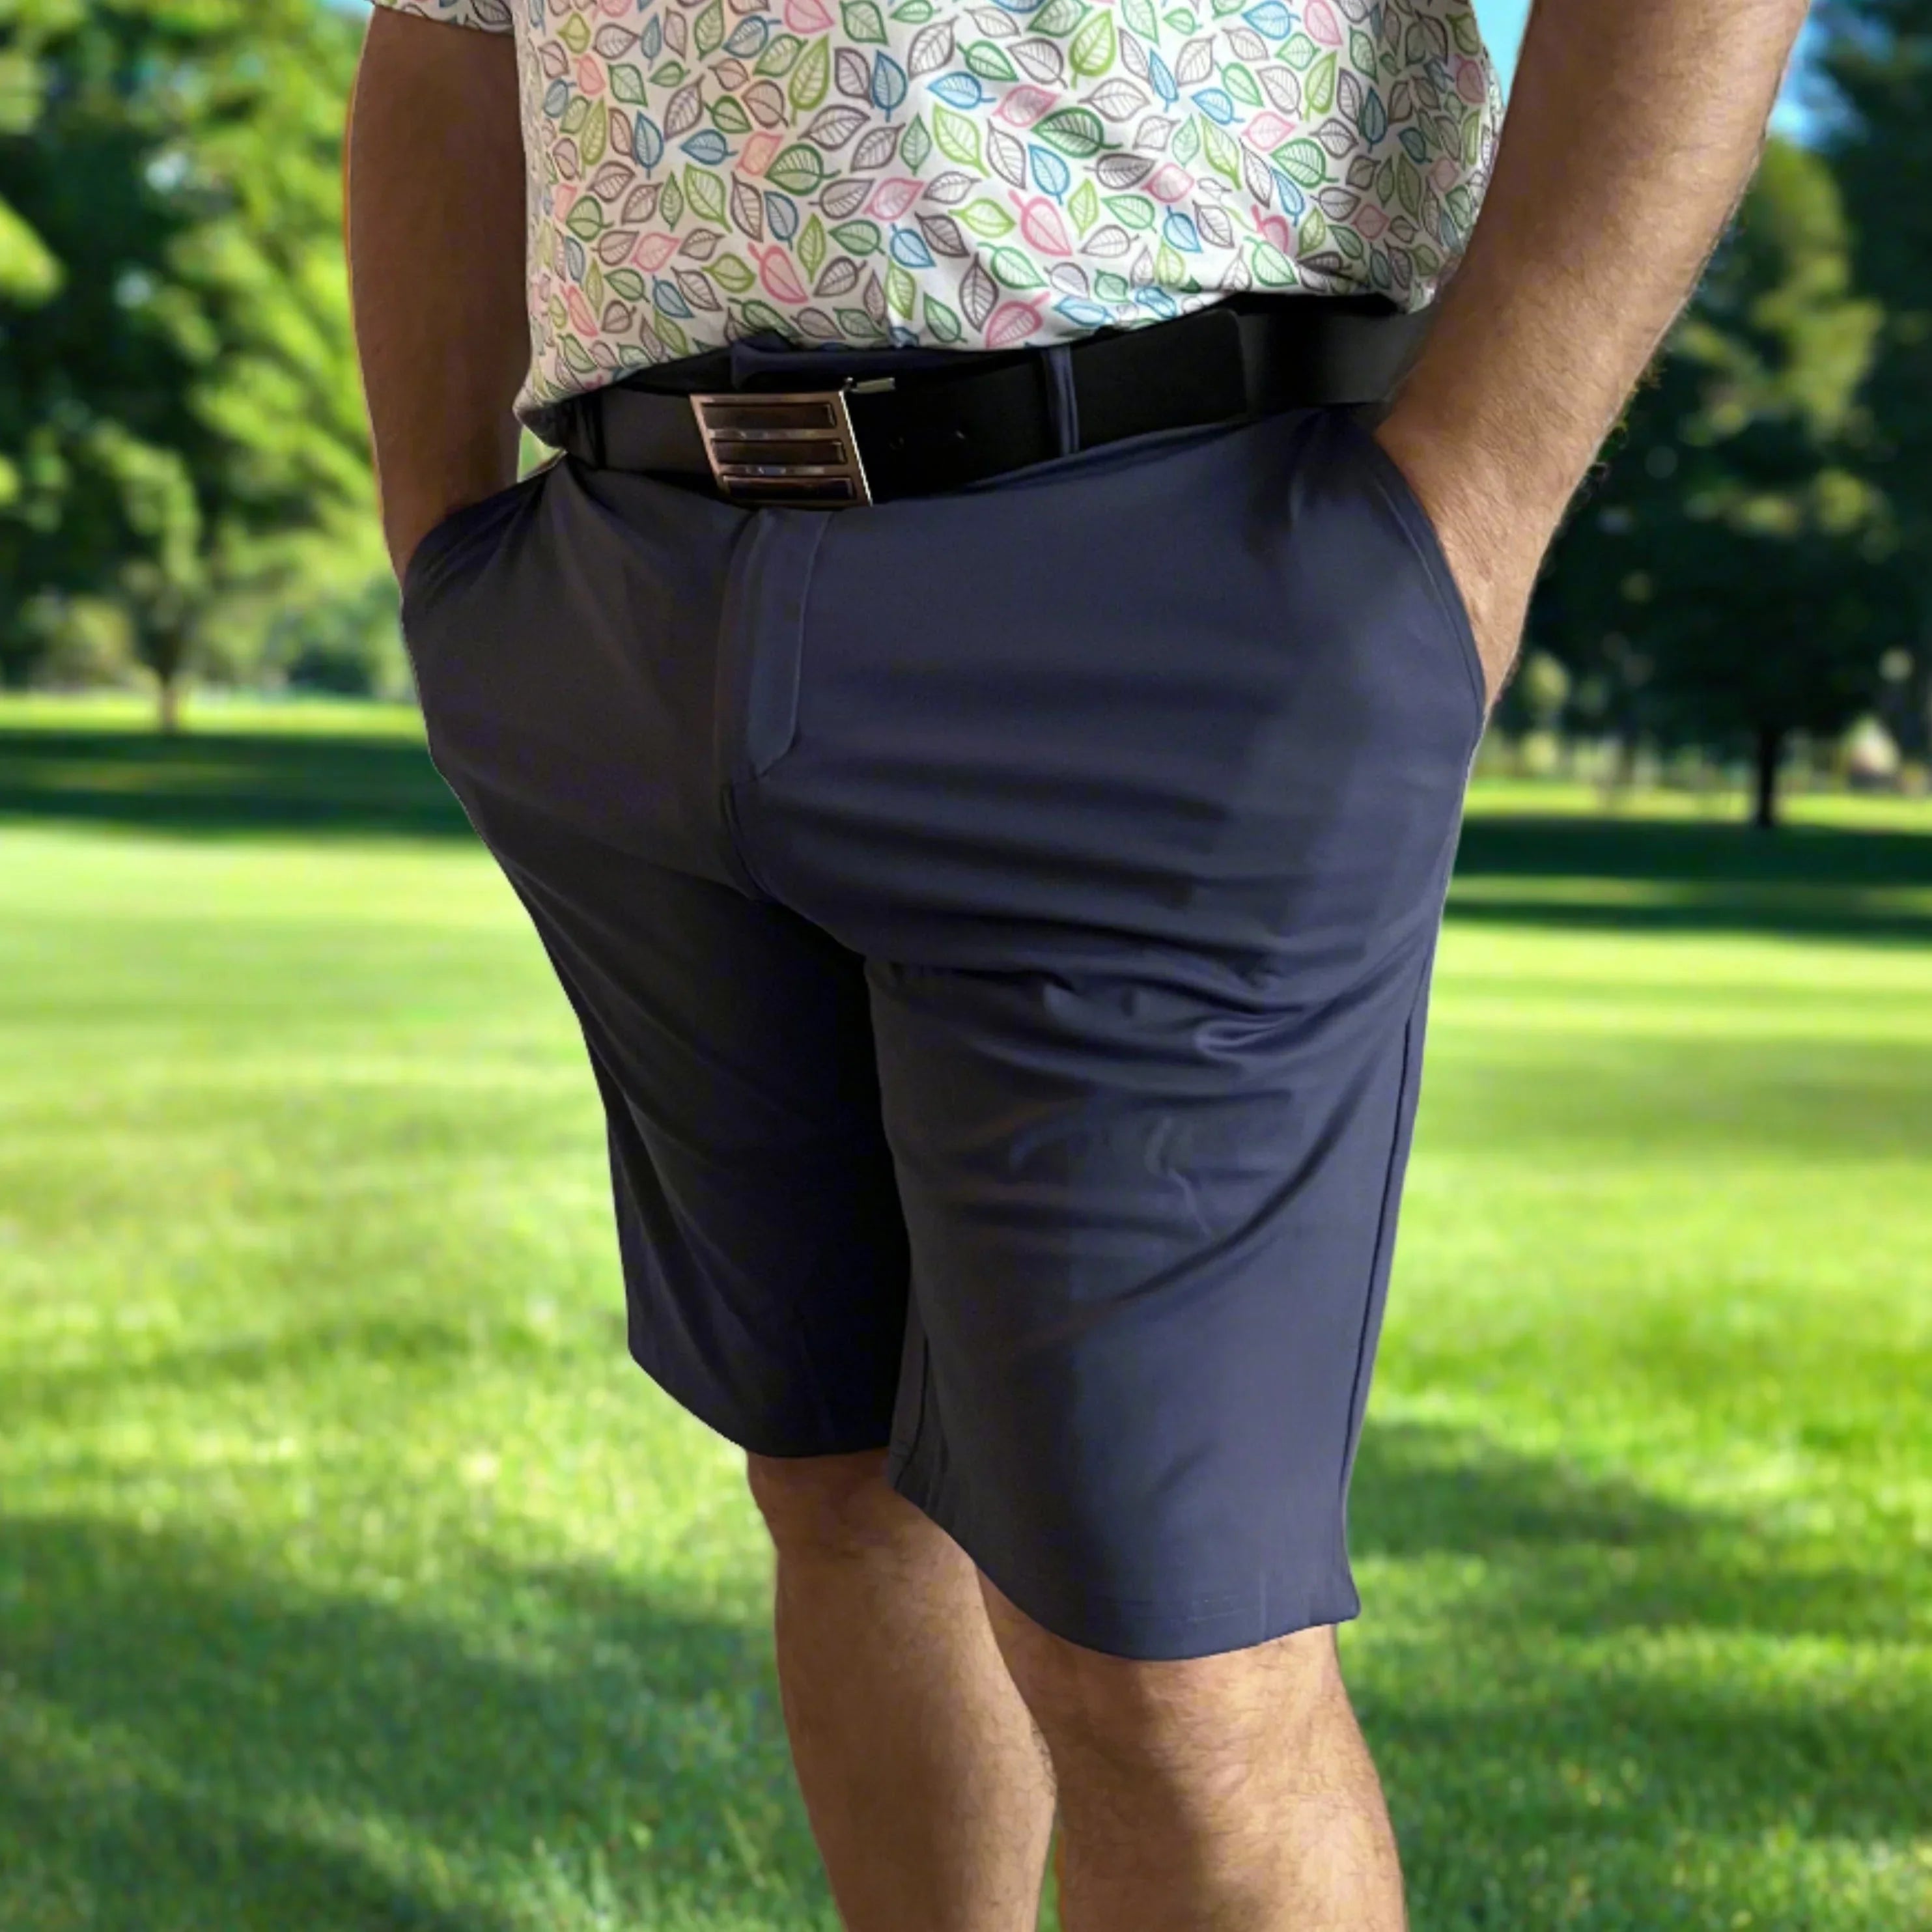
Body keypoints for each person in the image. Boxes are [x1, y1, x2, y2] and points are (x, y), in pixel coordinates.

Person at [344, 0, 1809, 1923]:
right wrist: (445, 547)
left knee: (1167, 1644)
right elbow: (445, 32)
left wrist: (1475, 507)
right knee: (840, 1481)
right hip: (633, 584)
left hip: (1182, 556)